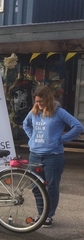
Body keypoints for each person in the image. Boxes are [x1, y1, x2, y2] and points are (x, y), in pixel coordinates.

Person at [23, 85, 84, 228]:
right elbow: (26, 124)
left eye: (41, 101)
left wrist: (61, 139)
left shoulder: (59, 112)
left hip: (53, 156)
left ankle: (49, 215)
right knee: (36, 186)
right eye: (37, 101)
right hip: (35, 154)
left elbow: (78, 127)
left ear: (48, 99)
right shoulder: (34, 112)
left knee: (51, 187)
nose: (39, 104)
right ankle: (41, 213)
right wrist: (32, 138)